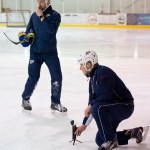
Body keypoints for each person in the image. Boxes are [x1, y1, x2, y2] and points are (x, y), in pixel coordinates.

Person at [76, 50, 145, 150]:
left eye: (81, 65)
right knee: (99, 140)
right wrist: (84, 125)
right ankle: (133, 133)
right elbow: (91, 103)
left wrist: (91, 106)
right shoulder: (92, 80)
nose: (80, 68)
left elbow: (106, 96)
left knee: (97, 108)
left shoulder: (103, 72)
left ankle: (110, 140)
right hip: (111, 109)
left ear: (89, 64)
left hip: (125, 106)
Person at [21, 0, 67, 113]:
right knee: (33, 78)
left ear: (48, 1)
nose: (39, 3)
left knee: (57, 77)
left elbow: (50, 31)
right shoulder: (33, 15)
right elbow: (28, 30)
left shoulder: (55, 15)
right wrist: (26, 37)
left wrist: (42, 17)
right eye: (38, 1)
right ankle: (25, 99)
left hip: (50, 53)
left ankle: (55, 102)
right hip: (35, 53)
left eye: (41, 1)